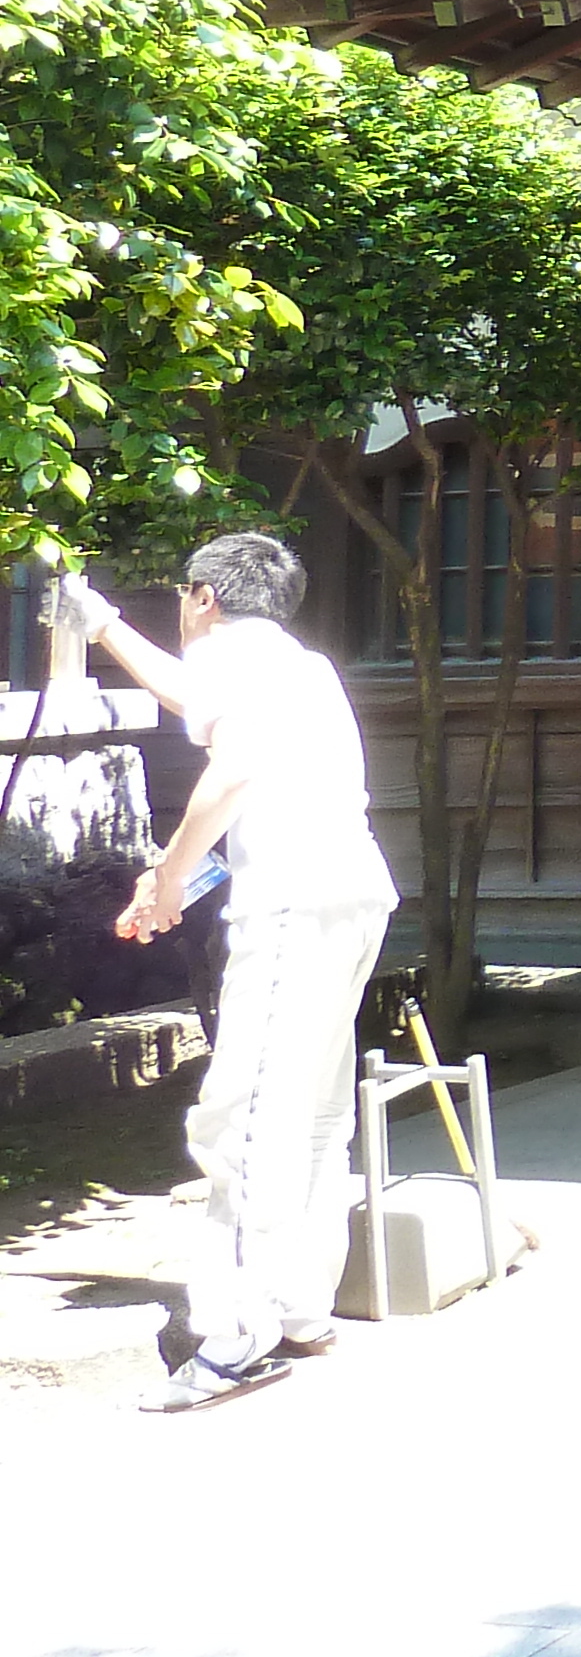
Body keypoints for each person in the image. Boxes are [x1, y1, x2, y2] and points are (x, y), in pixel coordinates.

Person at [57, 533, 396, 1413]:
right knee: (315, 1113)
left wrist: (169, 872)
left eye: (183, 599)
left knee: (241, 1121)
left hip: (290, 905)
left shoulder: (245, 667)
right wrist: (104, 626)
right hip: (353, 895)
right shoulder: (297, 665)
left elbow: (234, 765)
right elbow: (194, 696)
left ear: (203, 597)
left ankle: (233, 1339)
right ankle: (295, 1308)